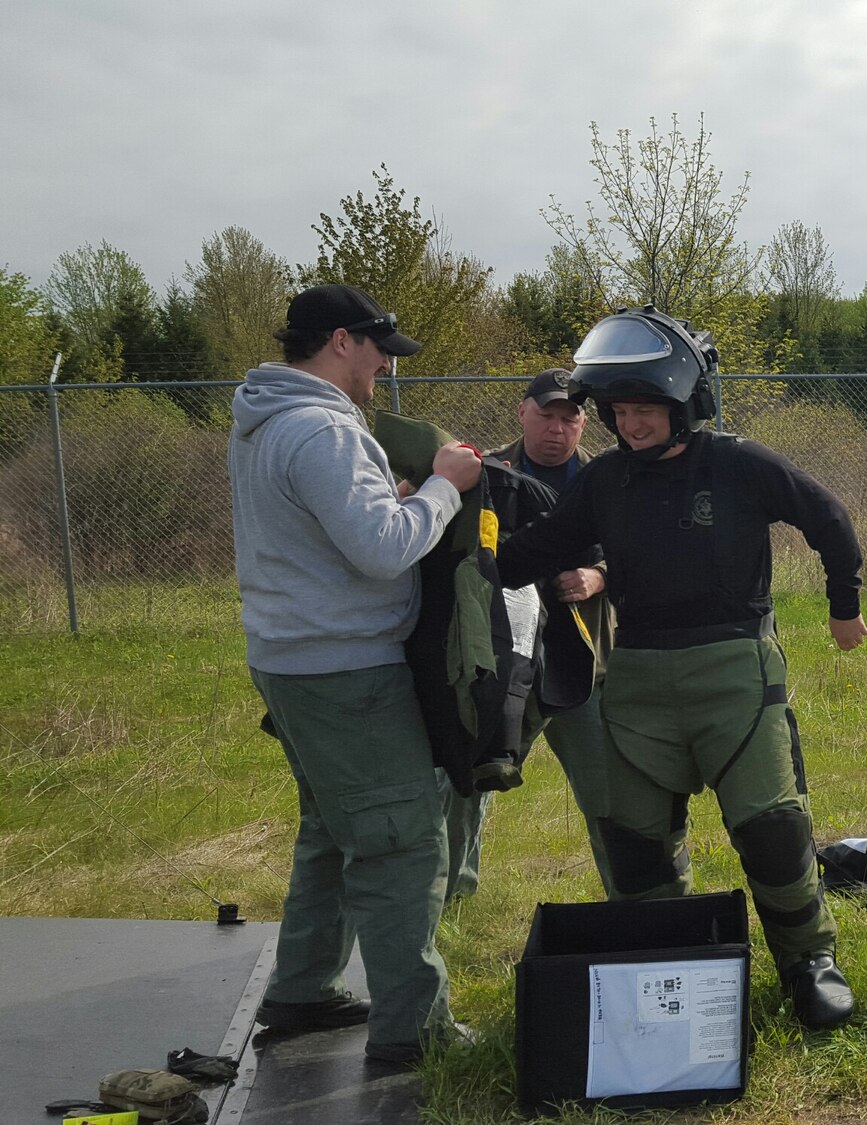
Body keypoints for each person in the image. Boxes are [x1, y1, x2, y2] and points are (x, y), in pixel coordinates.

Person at [497, 307, 866, 1030]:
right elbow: (537, 550)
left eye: (648, 410)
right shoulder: (603, 481)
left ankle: (809, 961)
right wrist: (460, 526)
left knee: (770, 824)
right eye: (621, 411)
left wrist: (843, 605)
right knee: (633, 841)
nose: (632, 425)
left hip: (734, 669)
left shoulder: (738, 462)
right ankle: (669, 964)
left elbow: (828, 518)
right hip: (637, 676)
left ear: (684, 404)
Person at [229, 283, 482, 1064]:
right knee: (402, 840)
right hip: (346, 674)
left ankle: (302, 988)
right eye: (378, 352)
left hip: (292, 661)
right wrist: (443, 485)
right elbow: (379, 549)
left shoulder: (267, 419)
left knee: (333, 833)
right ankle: (415, 1030)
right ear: (342, 341)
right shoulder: (322, 431)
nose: (383, 371)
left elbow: (338, 531)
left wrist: (397, 501)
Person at [439, 369, 626, 898]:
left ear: (585, 423)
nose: (557, 429)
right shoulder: (481, 472)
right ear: (522, 413)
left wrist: (600, 576)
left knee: (608, 791)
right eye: (546, 415)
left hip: (583, 663)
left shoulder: (611, 477)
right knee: (469, 780)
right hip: (498, 661)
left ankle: (631, 903)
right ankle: (453, 901)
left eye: (570, 418)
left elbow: (647, 550)